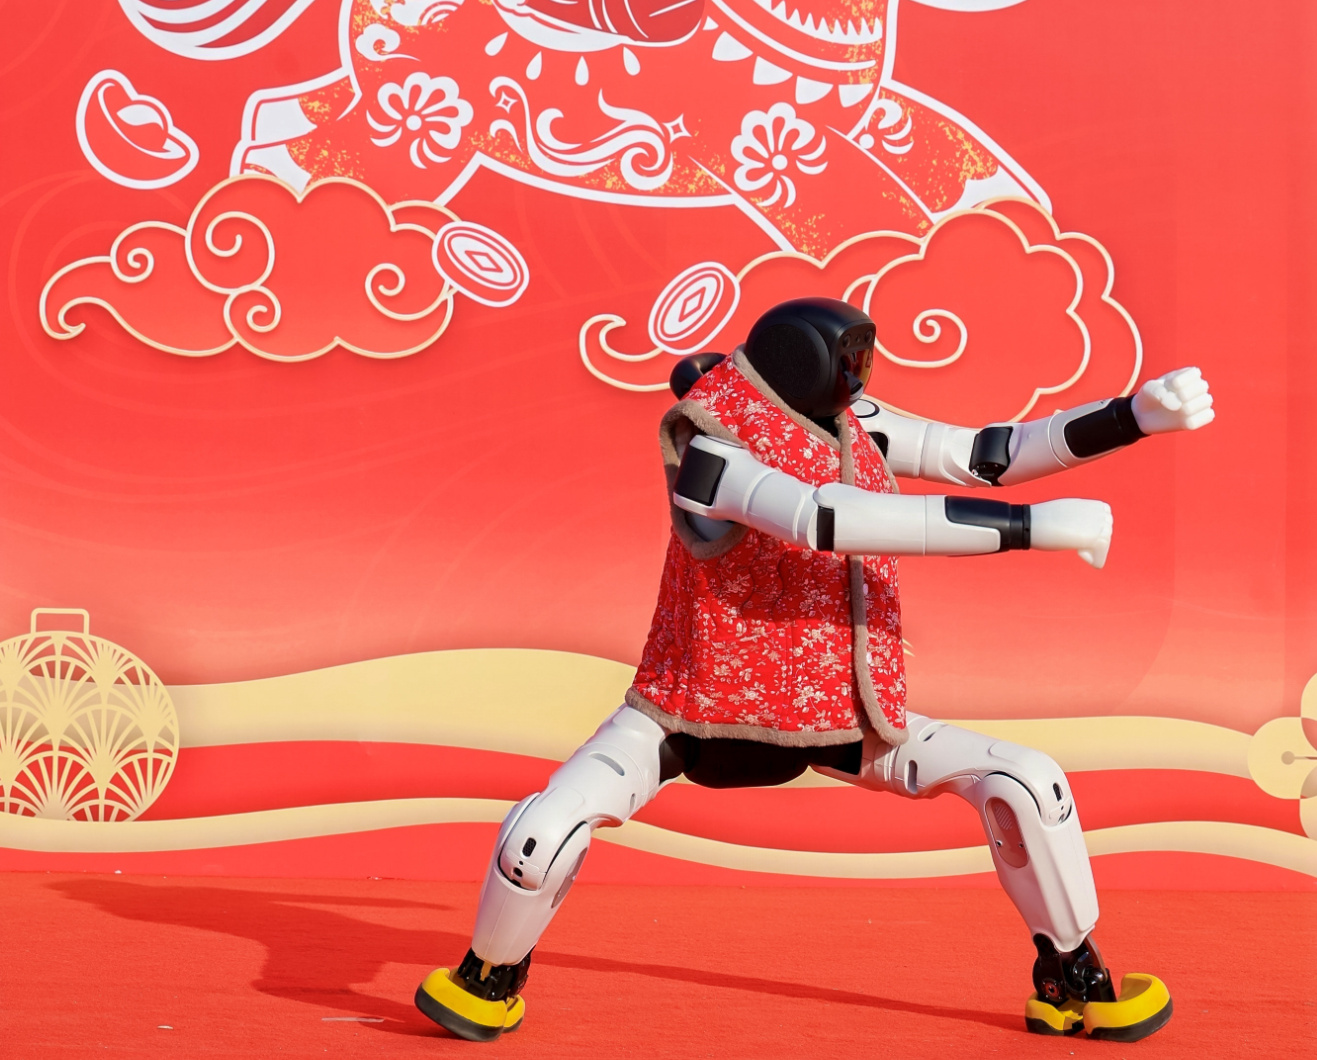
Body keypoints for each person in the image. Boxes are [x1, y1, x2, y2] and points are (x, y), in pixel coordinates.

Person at [415, 297, 1214, 1043]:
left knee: (1026, 782)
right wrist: (1029, 530)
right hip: (691, 708)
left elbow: (985, 455)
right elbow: (825, 518)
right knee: (541, 834)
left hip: (832, 706)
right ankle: (488, 976)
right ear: (800, 361)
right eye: (848, 359)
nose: (860, 377)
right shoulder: (711, 448)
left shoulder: (846, 424)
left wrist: (1131, 417)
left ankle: (1073, 977)